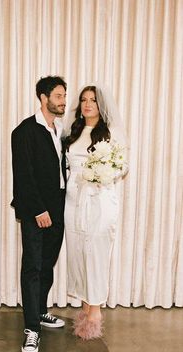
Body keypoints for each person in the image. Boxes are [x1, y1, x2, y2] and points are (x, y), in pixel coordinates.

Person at [64, 84, 128, 340]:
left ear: (101, 105)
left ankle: (95, 312)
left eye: (93, 100)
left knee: (96, 252)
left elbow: (122, 167)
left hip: (99, 200)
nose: (88, 104)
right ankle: (85, 305)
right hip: (72, 201)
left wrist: (101, 174)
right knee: (78, 252)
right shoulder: (74, 131)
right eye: (83, 100)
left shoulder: (111, 133)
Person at [11, 75, 67, 352]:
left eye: (64, 96)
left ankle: (40, 310)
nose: (63, 101)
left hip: (59, 206)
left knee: (48, 263)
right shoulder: (24, 131)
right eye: (58, 96)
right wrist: (38, 210)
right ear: (44, 98)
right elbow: (24, 175)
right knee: (33, 266)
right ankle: (31, 328)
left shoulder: (60, 131)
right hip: (37, 209)